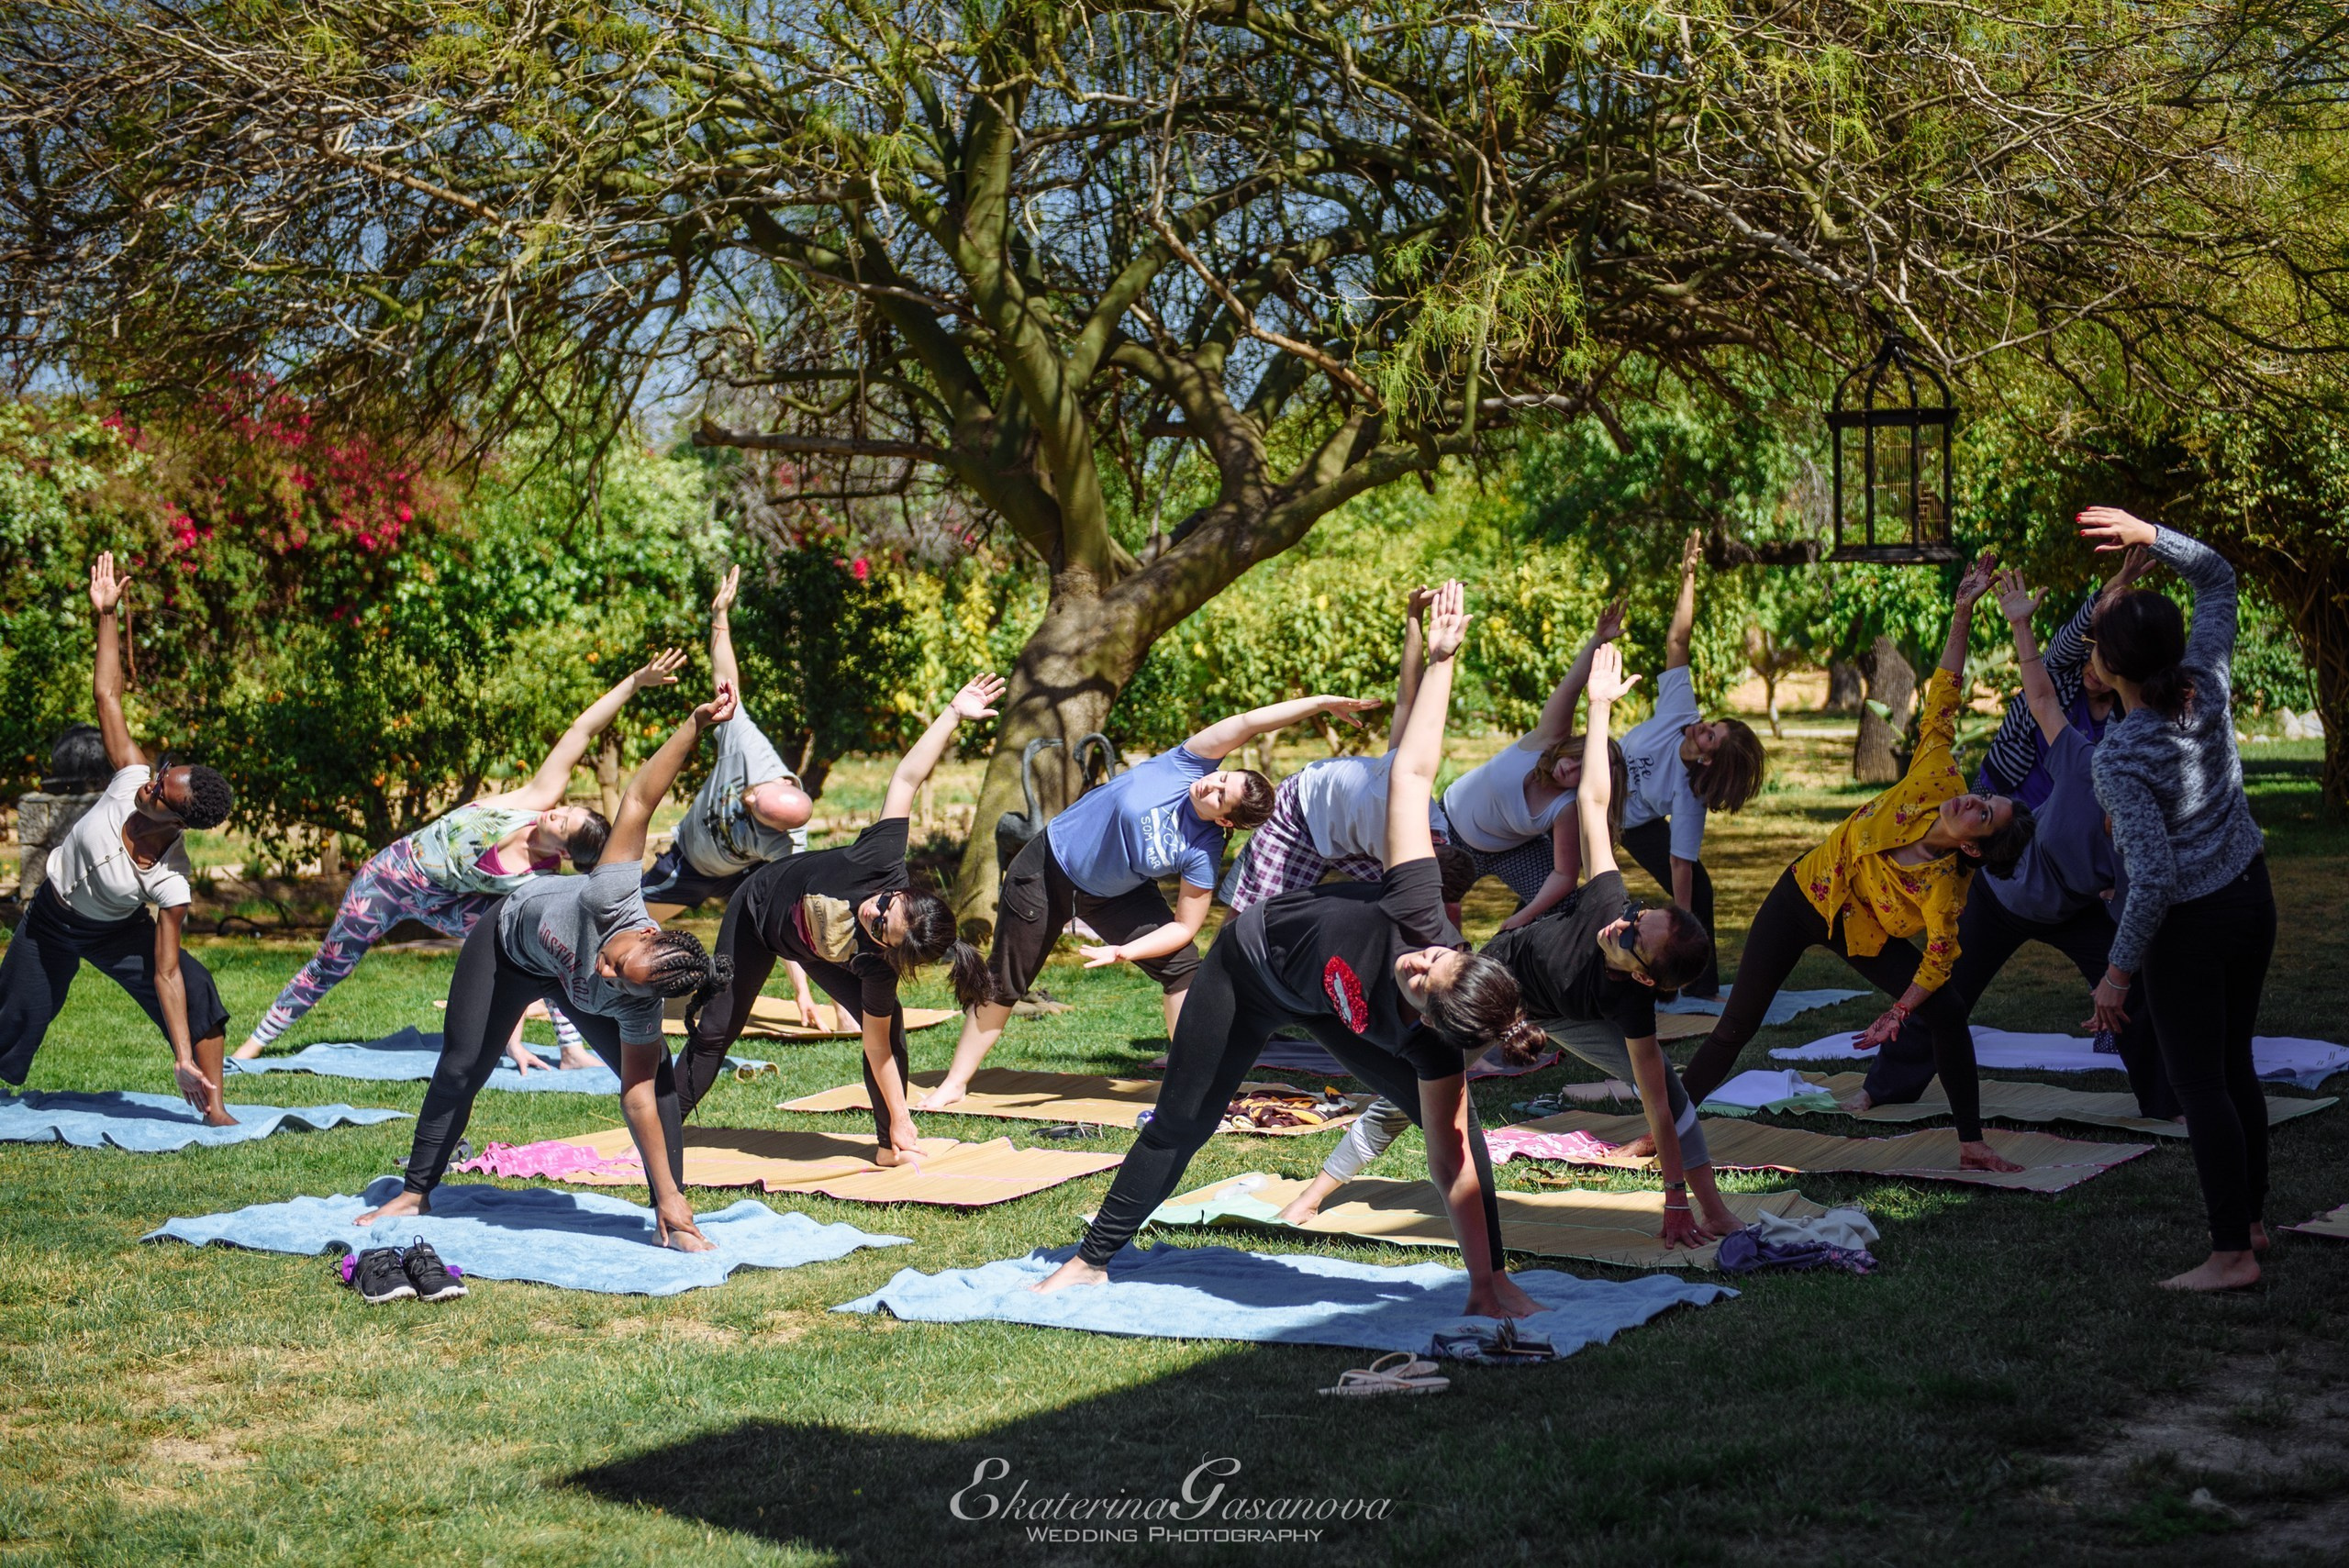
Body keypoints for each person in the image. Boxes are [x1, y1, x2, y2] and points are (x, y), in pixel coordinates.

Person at [1034, 582, 1542, 1318]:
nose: (1419, 960)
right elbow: (1411, 772)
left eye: (1426, 979)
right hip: (1250, 968)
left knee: (1462, 1133)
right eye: (1437, 956)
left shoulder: (1433, 1050)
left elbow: (1450, 1159)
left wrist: (1482, 1279)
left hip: (1333, 1008)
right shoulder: (1417, 908)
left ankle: (1492, 1279)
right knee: (1186, 1116)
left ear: (1430, 1023)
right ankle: (1091, 1258)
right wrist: (1439, 661)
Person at [1278, 642, 1742, 1244]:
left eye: (1633, 937)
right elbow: (1596, 800)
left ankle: (1714, 1208)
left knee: (1668, 1091)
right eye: (1639, 914)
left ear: (1647, 977)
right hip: (1493, 985)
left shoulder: (1632, 1006)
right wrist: (1598, 708)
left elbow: (1657, 1095)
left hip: (1568, 1014)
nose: (1622, 924)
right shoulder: (1606, 901)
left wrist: (1678, 1199)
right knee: (1413, 1084)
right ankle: (1315, 1193)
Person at [1676, 552, 2037, 1173]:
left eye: (1983, 814)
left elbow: (1938, 959)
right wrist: (1962, 611)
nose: (1973, 799)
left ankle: (1971, 1140)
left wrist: (1899, 1011)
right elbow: (1945, 698)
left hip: (1861, 931)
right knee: (1737, 1026)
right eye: (1985, 796)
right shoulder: (1935, 775)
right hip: (1807, 891)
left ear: (1974, 846)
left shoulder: (1945, 891)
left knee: (1946, 1008)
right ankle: (1665, 1130)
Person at [356, 685, 740, 1250]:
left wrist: (668, 1193)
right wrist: (693, 727)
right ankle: (417, 1189)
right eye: (618, 965)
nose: (606, 974)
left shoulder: (638, 1001)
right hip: (507, 947)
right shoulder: (613, 893)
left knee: (655, 1082)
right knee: (462, 1067)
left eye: (622, 984)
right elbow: (638, 799)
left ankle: (671, 1211)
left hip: (563, 986)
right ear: (640, 934)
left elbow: (632, 1095)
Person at [921, 688, 1380, 1111]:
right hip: (1046, 868)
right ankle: (956, 1082)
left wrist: (1124, 950)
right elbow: (1247, 722)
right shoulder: (1186, 765)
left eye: (1221, 797)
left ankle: (1189, 1086)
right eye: (1223, 778)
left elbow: (1183, 926)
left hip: (1114, 895)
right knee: (1006, 980)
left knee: (1183, 967)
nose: (1211, 787)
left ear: (1225, 823)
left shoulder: (1203, 851)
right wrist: (1318, 703)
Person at [233, 651, 689, 1069]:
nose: (557, 811)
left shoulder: (536, 878)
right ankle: (255, 1043)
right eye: (567, 808)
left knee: (544, 944)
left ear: (565, 852)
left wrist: (512, 1035)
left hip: (444, 903)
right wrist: (634, 682)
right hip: (393, 875)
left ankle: (569, 1048)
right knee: (334, 960)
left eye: (564, 824)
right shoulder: (531, 800)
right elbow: (580, 732)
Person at [1851, 567, 2176, 1121]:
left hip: (2075, 909)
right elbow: (2042, 692)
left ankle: (2168, 1103)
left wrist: (2114, 936)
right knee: (1945, 990)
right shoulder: (2080, 761)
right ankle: (1880, 1088)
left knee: (2132, 996)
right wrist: (2021, 625)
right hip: (2001, 898)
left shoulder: (2147, 809)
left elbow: (2144, 883)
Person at [679, 674, 1004, 1163]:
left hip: (810, 949)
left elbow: (877, 1050)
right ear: (900, 892)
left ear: (889, 950)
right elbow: (907, 778)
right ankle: (661, 1117)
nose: (872, 916)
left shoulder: (877, 967)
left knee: (888, 1027)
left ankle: (889, 1144)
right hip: (755, 913)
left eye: (879, 932)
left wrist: (899, 1114)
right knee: (716, 1031)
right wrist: (953, 714)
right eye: (884, 909)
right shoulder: (880, 858)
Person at [2076, 507, 2274, 1293]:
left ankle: (2232, 1253)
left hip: (2189, 926)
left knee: (2201, 1086)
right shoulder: (2207, 680)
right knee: (2234, 1066)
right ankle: (2251, 1218)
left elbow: (2151, 878)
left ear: (2113, 671)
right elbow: (2219, 576)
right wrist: (2148, 533)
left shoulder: (2121, 752)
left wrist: (2116, 975)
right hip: (2250, 897)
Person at [0, 553, 239, 1121]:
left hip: (113, 931)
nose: (150, 786)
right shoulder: (130, 778)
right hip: (50, 917)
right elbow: (109, 697)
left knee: (199, 991)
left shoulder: (169, 881)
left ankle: (215, 1108)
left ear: (178, 822)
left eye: (162, 794)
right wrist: (107, 615)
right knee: (14, 1012)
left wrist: (181, 1057)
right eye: (160, 776)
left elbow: (166, 973)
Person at [1219, 587, 1477, 920]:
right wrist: (1413, 615)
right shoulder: (1399, 789)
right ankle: (1220, 971)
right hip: (1301, 813)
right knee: (1249, 920)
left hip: (1358, 837)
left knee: (1417, 919)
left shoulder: (1432, 834)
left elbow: (1437, 902)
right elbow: (1407, 699)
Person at [640, 565, 824, 1027]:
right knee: (627, 915)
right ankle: (569, 987)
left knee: (772, 923)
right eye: (751, 797)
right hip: (689, 861)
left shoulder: (787, 848)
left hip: (741, 872)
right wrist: (719, 616)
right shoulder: (749, 747)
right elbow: (726, 678)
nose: (746, 802)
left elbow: (794, 921)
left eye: (757, 815)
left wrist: (803, 994)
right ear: (773, 784)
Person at [1593, 531, 1769, 995]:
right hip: (1595, 770)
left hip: (1622, 820)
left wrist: (1679, 924)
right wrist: (1688, 576)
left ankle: (1689, 978)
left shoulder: (1691, 796)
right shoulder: (1680, 712)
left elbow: (1680, 864)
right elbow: (1678, 639)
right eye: (1712, 723)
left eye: (1710, 734)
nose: (1702, 726)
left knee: (1697, 888)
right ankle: (1693, 979)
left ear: (1710, 755)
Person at [1972, 547, 2156, 807]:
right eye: (2099, 654)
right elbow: (2073, 632)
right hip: (1998, 792)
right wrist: (2114, 587)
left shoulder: (2124, 716)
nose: (2098, 670)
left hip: (2052, 822)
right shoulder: (2062, 671)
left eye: (2116, 666)